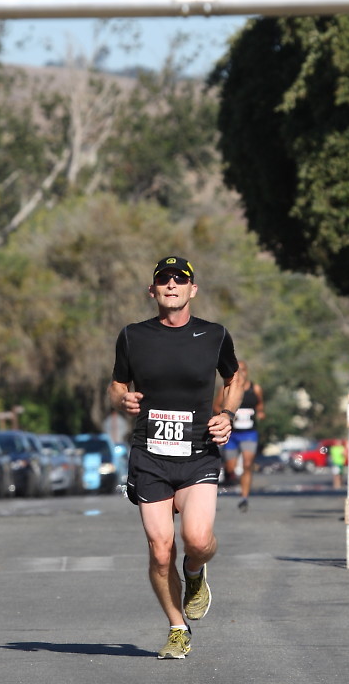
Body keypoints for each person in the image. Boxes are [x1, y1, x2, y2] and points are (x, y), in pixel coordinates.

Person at [108, 255, 243, 660]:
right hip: (150, 455)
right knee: (160, 549)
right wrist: (122, 400)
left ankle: (195, 572)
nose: (171, 285)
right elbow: (116, 385)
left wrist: (227, 415)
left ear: (192, 289)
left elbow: (235, 377)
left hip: (198, 453)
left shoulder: (214, 335)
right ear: (152, 290)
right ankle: (177, 627)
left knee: (197, 541)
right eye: (164, 279)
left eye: (179, 279)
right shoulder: (133, 336)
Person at [213, 360, 265, 512]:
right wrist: (226, 414)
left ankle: (244, 497)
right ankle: (229, 479)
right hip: (232, 433)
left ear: (247, 372)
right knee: (231, 468)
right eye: (238, 369)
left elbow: (260, 405)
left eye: (243, 369)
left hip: (249, 433)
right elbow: (216, 405)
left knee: (248, 464)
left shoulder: (255, 389)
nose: (241, 372)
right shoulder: (226, 388)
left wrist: (260, 413)